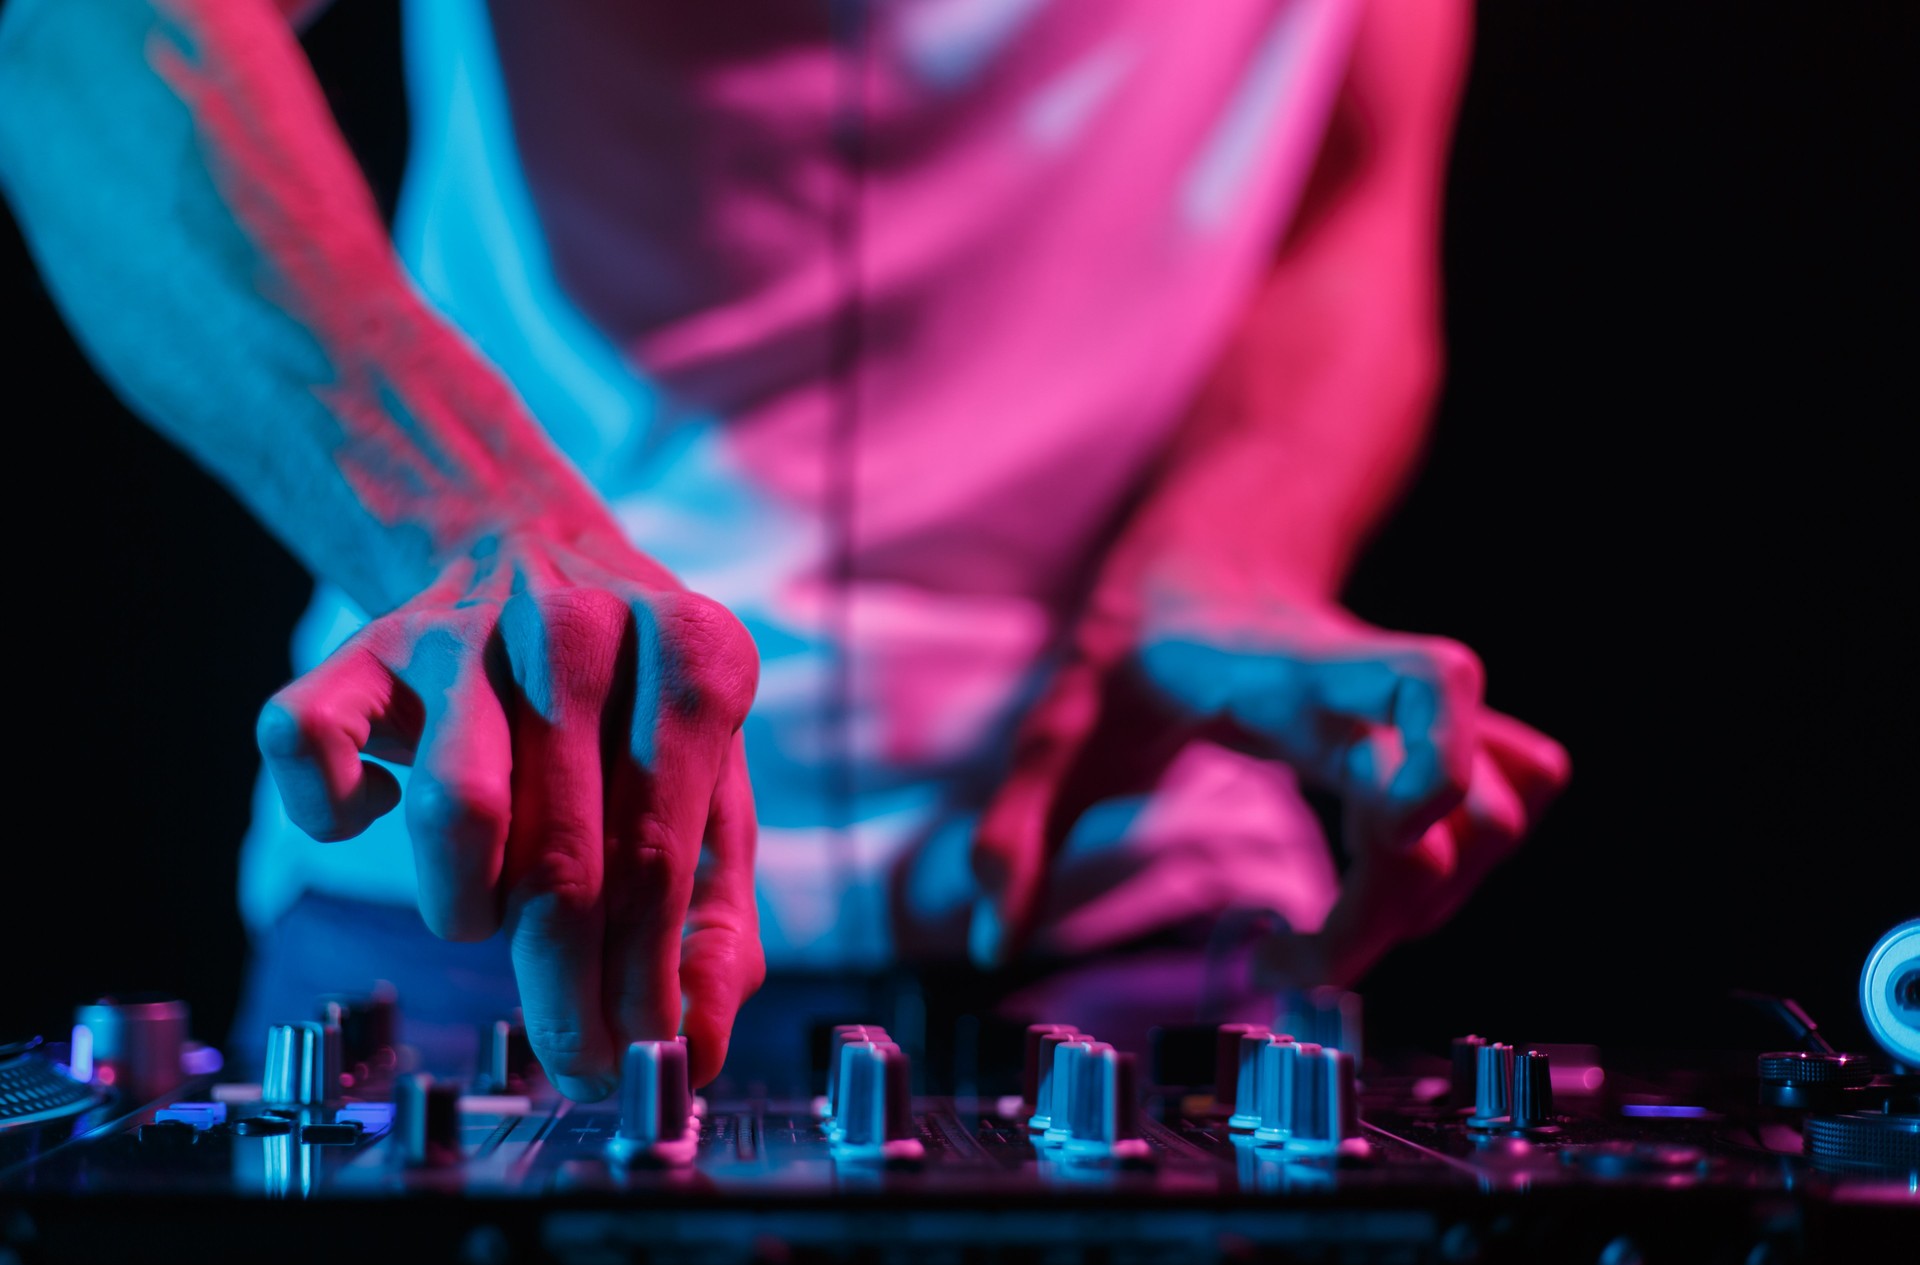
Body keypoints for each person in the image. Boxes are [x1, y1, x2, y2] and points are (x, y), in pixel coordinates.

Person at [0, 0, 1567, 1099]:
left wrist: (1234, 544)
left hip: (1165, 913)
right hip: (500, 885)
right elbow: (96, 35)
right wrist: (470, 518)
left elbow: (1353, 203)